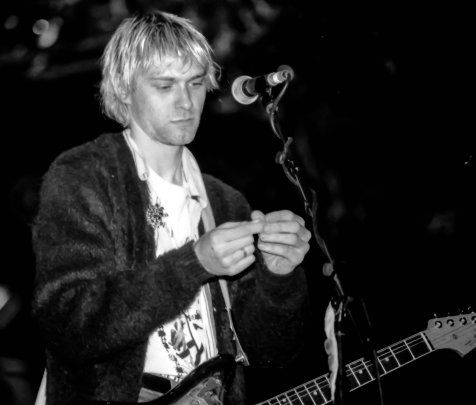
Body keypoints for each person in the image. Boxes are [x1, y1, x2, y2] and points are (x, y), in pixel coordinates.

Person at [31, 11, 312, 405]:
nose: (186, 102)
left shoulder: (224, 201)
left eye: (195, 83)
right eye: (165, 86)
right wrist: (193, 264)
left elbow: (271, 353)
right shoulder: (83, 176)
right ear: (124, 90)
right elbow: (69, 324)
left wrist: (280, 278)